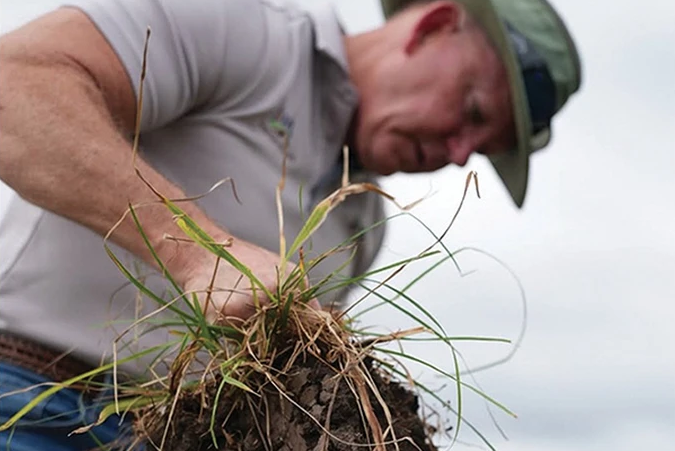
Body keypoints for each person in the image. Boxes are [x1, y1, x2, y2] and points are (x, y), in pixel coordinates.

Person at [0, 0, 581, 449]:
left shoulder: (363, 221)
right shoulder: (247, 36)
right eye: (473, 110)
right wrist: (202, 255)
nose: (459, 152)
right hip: (24, 399)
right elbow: (16, 85)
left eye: (482, 149)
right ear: (433, 25)